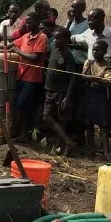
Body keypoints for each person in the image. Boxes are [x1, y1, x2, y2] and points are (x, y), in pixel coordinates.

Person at [8, 12, 48, 141]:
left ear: (37, 22)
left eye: (30, 23)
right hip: (21, 76)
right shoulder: (26, 36)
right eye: (26, 23)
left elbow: (36, 57)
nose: (27, 25)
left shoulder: (42, 37)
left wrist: (18, 51)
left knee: (23, 105)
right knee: (19, 105)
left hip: (32, 78)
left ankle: (23, 134)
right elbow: (11, 45)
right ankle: (17, 132)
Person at [78, 39, 111, 160]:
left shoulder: (110, 67)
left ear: (105, 51)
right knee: (88, 124)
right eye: (93, 50)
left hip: (102, 97)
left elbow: (106, 83)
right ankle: (90, 150)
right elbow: (83, 76)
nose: (95, 52)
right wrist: (98, 78)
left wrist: (90, 78)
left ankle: (106, 152)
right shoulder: (89, 62)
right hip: (89, 95)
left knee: (103, 125)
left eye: (98, 50)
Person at [41, 27, 77, 155]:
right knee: (47, 117)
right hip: (49, 89)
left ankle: (59, 146)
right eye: (54, 38)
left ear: (66, 40)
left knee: (62, 119)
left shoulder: (68, 55)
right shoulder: (53, 49)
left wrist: (68, 97)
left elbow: (73, 77)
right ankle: (68, 141)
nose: (55, 40)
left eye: (58, 38)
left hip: (62, 92)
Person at [66, 0, 89, 69]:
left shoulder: (87, 24)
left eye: (76, 7)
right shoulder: (70, 22)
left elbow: (88, 43)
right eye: (72, 7)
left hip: (82, 62)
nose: (73, 9)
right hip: (70, 60)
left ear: (83, 9)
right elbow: (64, 35)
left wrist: (73, 45)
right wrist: (70, 22)